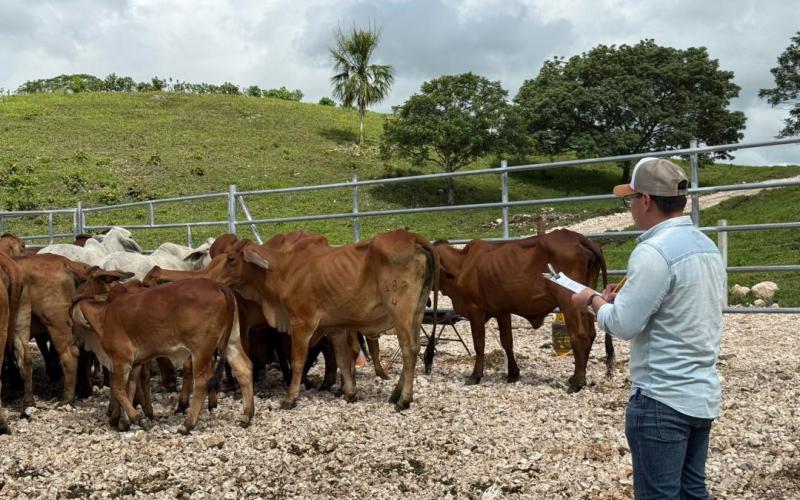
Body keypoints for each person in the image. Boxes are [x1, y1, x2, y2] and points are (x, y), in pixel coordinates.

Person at [571, 157, 726, 499]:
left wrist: (593, 301)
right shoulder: (706, 246)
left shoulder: (653, 251)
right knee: (693, 490)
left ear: (646, 200)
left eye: (630, 200)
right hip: (701, 393)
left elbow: (624, 325)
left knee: (658, 494)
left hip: (662, 398)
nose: (629, 208)